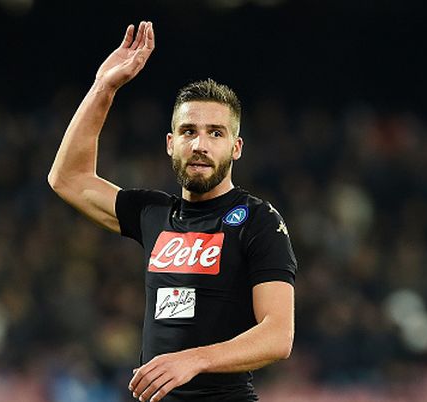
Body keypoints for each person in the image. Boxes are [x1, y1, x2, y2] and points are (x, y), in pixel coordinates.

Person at [48, 21, 296, 402]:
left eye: (216, 133)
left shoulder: (259, 221)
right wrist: (104, 87)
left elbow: (278, 335)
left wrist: (194, 360)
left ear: (236, 148)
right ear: (170, 143)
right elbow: (68, 178)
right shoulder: (153, 213)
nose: (199, 145)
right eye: (188, 131)